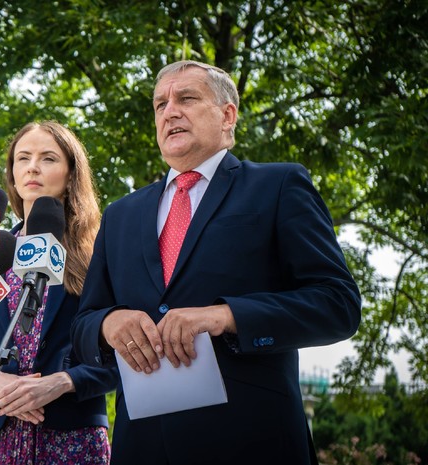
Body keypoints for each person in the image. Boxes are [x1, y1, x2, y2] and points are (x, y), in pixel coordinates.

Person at [70, 60, 362, 464]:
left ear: (227, 116)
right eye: (160, 104)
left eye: (187, 98)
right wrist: (107, 324)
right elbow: (83, 325)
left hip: (252, 440)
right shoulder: (120, 214)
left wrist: (226, 316)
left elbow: (337, 304)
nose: (170, 111)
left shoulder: (279, 185)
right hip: (142, 446)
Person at [0, 121, 119, 464]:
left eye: (48, 158)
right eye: (23, 158)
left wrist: (62, 382)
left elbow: (124, 356)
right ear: (12, 175)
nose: (32, 167)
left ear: (71, 175)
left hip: (71, 437)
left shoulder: (100, 255)